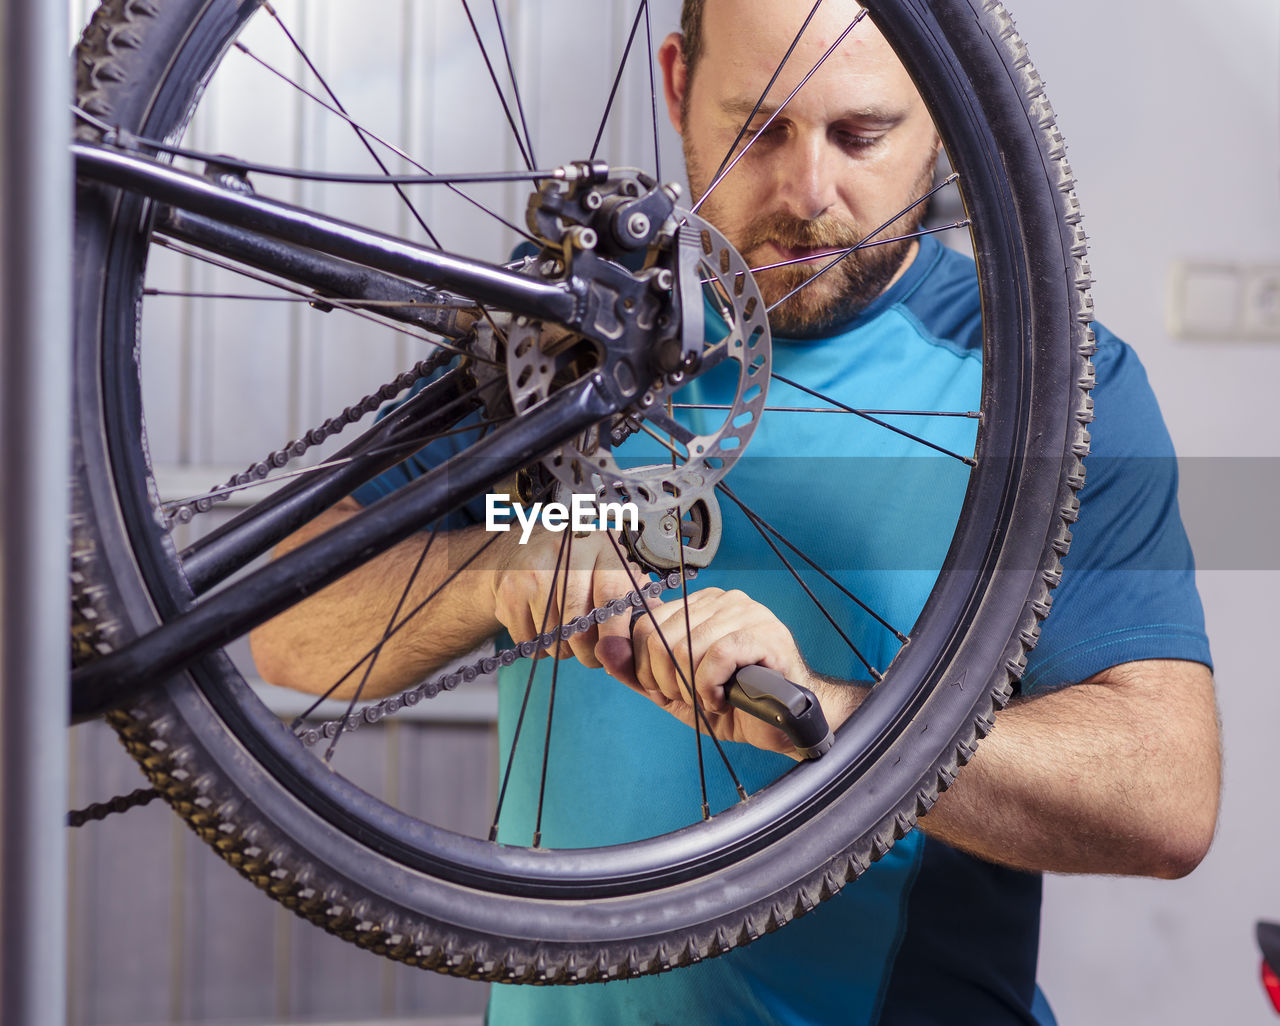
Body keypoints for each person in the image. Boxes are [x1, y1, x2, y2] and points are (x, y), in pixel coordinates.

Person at [251, 1, 1221, 1022]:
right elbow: (283, 630)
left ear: (941, 115)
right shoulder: (577, 334)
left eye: (860, 135)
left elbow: (1160, 800)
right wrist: (504, 565)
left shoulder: (1048, 380)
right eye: (760, 128)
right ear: (675, 86)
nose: (807, 193)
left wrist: (825, 720)